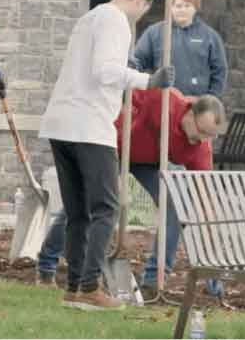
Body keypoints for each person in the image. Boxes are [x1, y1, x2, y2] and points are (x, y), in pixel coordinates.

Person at [38, 0, 173, 311]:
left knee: (78, 211)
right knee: (106, 207)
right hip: (90, 125)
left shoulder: (90, 17)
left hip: (61, 122)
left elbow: (97, 67)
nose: (140, 15)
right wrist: (148, 80)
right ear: (140, 1)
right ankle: (89, 286)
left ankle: (74, 288)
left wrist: (126, 69)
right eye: (143, 9)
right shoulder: (116, 20)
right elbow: (104, 71)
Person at [36, 91, 226, 298]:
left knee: (173, 206)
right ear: (190, 113)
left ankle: (153, 281)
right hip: (114, 149)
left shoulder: (200, 147)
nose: (202, 139)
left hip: (147, 163)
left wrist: (211, 252)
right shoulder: (165, 100)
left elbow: (203, 195)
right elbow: (124, 90)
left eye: (210, 135)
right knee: (84, 202)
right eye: (201, 131)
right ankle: (46, 265)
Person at [133, 0, 227, 101]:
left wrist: (210, 99)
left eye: (187, 6)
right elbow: (137, 61)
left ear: (195, 8)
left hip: (196, 103)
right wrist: (146, 88)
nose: (182, 10)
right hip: (162, 101)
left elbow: (219, 71)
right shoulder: (154, 32)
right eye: (178, 6)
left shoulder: (209, 36)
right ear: (171, 7)